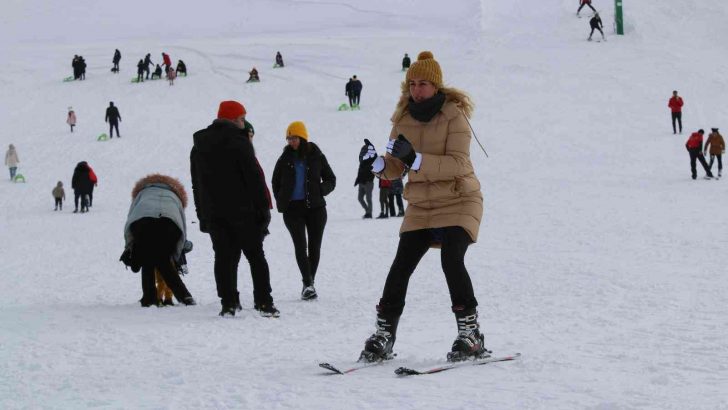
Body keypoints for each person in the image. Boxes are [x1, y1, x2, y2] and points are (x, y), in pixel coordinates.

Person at [358, 51, 489, 363]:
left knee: (451, 259)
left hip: (459, 198)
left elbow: (459, 163)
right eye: (412, 83)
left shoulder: (453, 115)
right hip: (421, 204)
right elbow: (394, 168)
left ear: (436, 85)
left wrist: (414, 158)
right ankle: (384, 334)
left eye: (423, 84)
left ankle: (470, 334)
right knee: (400, 266)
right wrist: (377, 163)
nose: (416, 90)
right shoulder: (402, 118)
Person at [190, 100, 279, 317]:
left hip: (215, 213)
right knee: (256, 256)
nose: (243, 122)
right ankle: (264, 302)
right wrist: (263, 210)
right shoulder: (239, 142)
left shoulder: (199, 145)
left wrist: (202, 214)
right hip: (243, 212)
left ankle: (228, 303)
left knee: (223, 258)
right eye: (241, 118)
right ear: (231, 119)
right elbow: (254, 178)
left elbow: (196, 183)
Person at [272, 121, 336, 301]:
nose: (291, 141)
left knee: (314, 247)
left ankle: (309, 283)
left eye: (294, 138)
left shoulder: (316, 156)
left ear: (302, 137)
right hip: (292, 210)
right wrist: (281, 198)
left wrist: (321, 190)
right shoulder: (284, 158)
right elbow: (275, 181)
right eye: (289, 138)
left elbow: (331, 178)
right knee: (300, 246)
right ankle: (307, 282)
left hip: (316, 208)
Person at [122, 174, 196, 307]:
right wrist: (180, 247)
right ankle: (185, 297)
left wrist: (129, 245)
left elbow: (131, 217)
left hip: (142, 223)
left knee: (146, 260)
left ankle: (150, 298)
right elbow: (182, 224)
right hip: (169, 224)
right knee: (164, 261)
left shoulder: (141, 194)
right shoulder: (175, 197)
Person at [355, 139, 376, 219]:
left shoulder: (372, 161)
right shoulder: (362, 162)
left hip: (368, 183)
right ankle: (368, 211)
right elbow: (359, 172)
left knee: (368, 198)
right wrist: (357, 181)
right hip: (361, 182)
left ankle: (369, 213)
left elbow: (373, 170)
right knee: (360, 198)